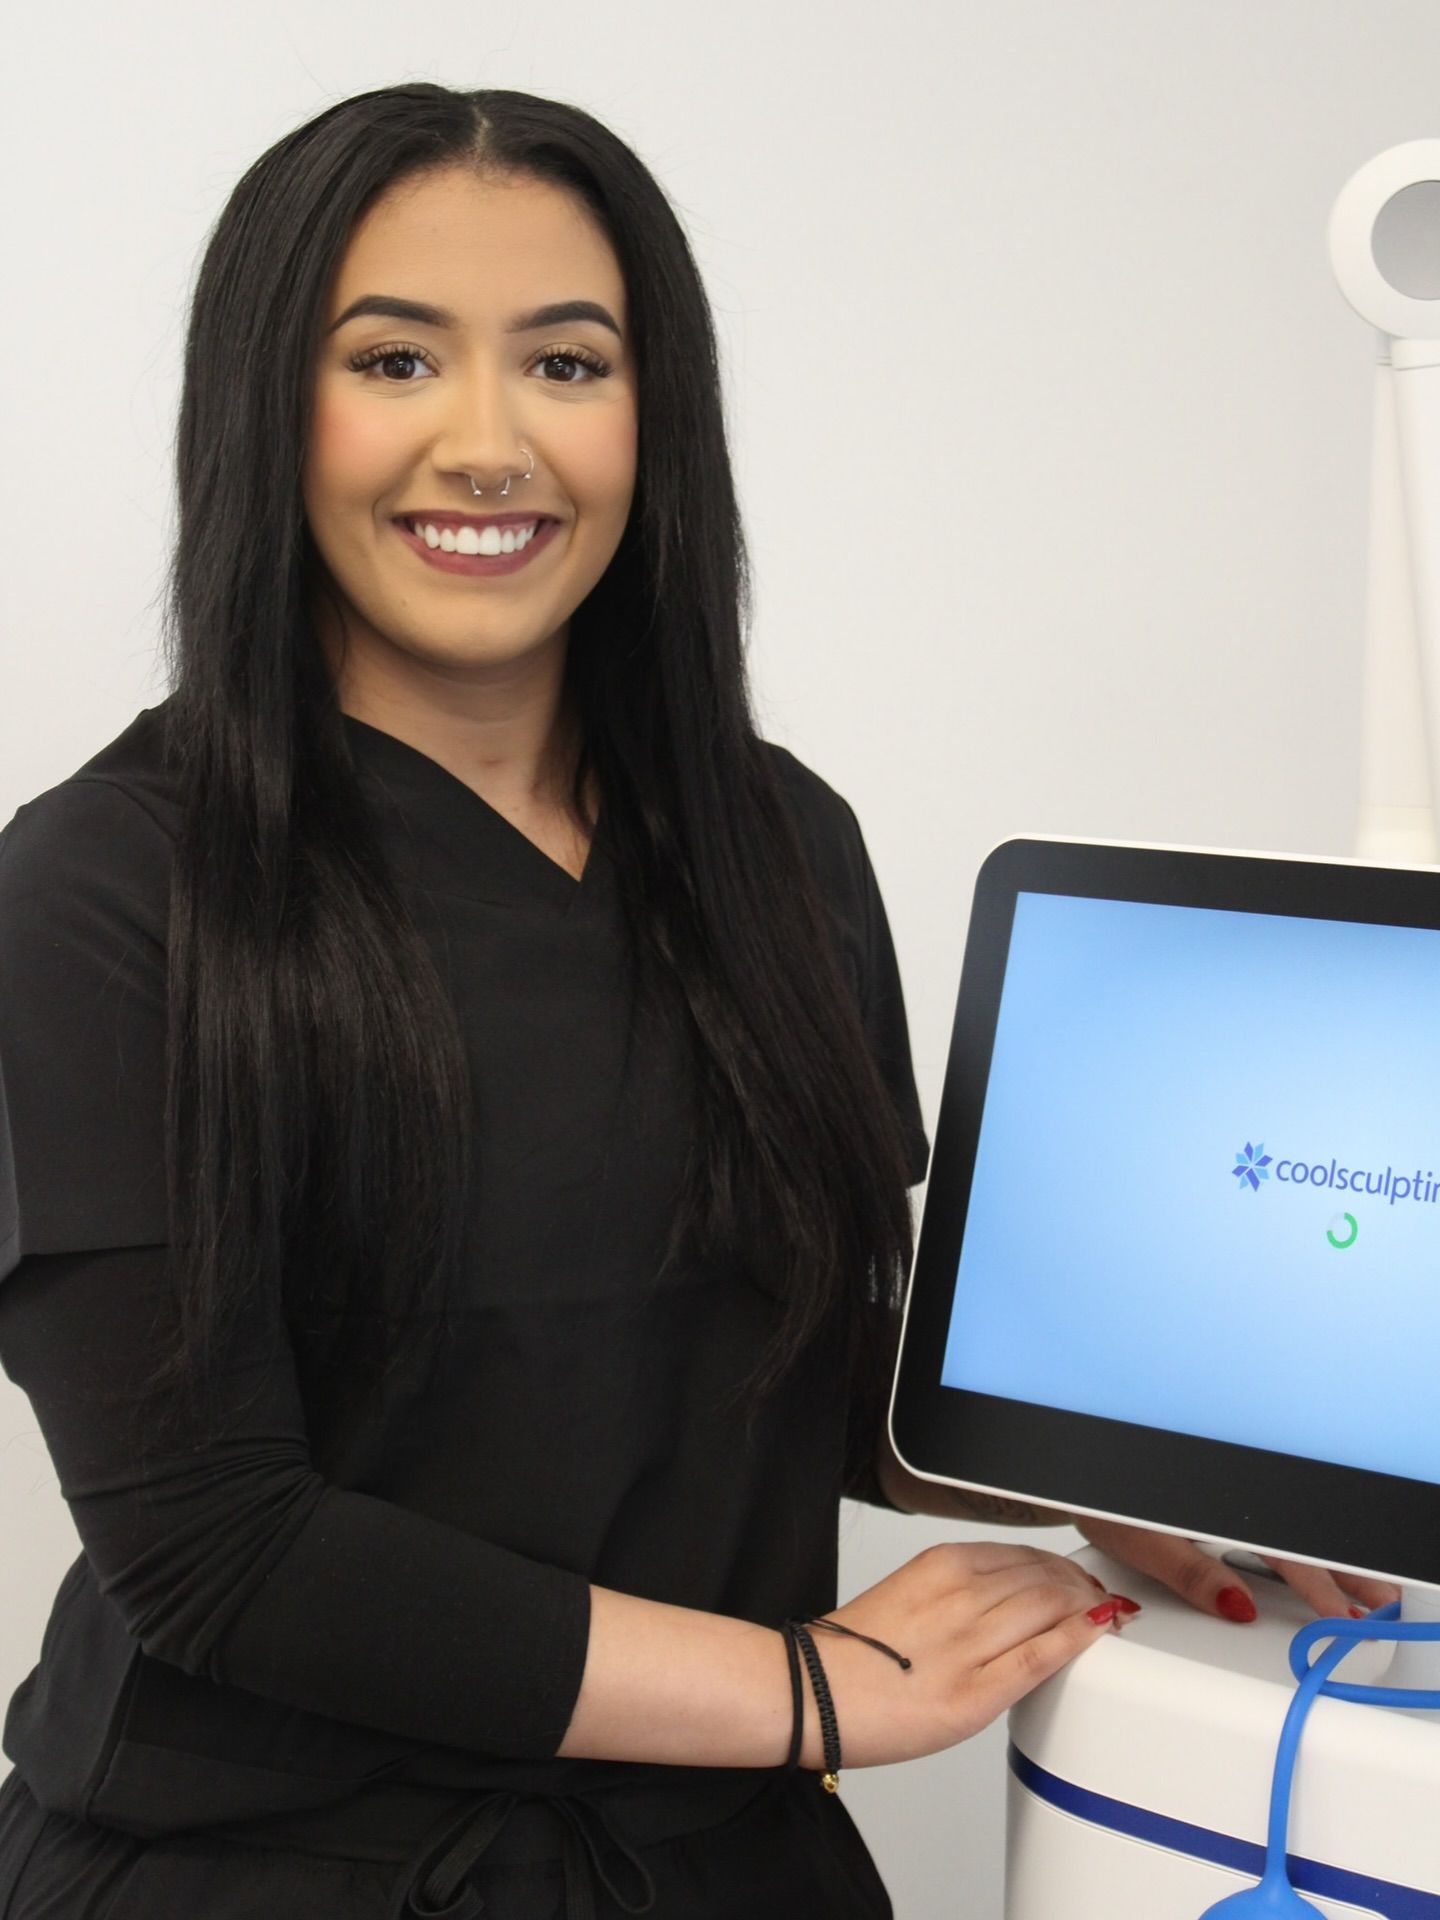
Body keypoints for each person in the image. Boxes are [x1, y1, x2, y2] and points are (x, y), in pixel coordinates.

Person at [0, 83, 1397, 1920]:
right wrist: (814, 1689)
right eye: (397, 360)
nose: (490, 444)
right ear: (267, 404)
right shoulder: (106, 889)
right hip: (265, 1871)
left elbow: (787, 1368)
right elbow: (218, 1548)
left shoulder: (773, 841)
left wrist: (1082, 1469)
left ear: (659, 419)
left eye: (568, 365)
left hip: (721, 1870)